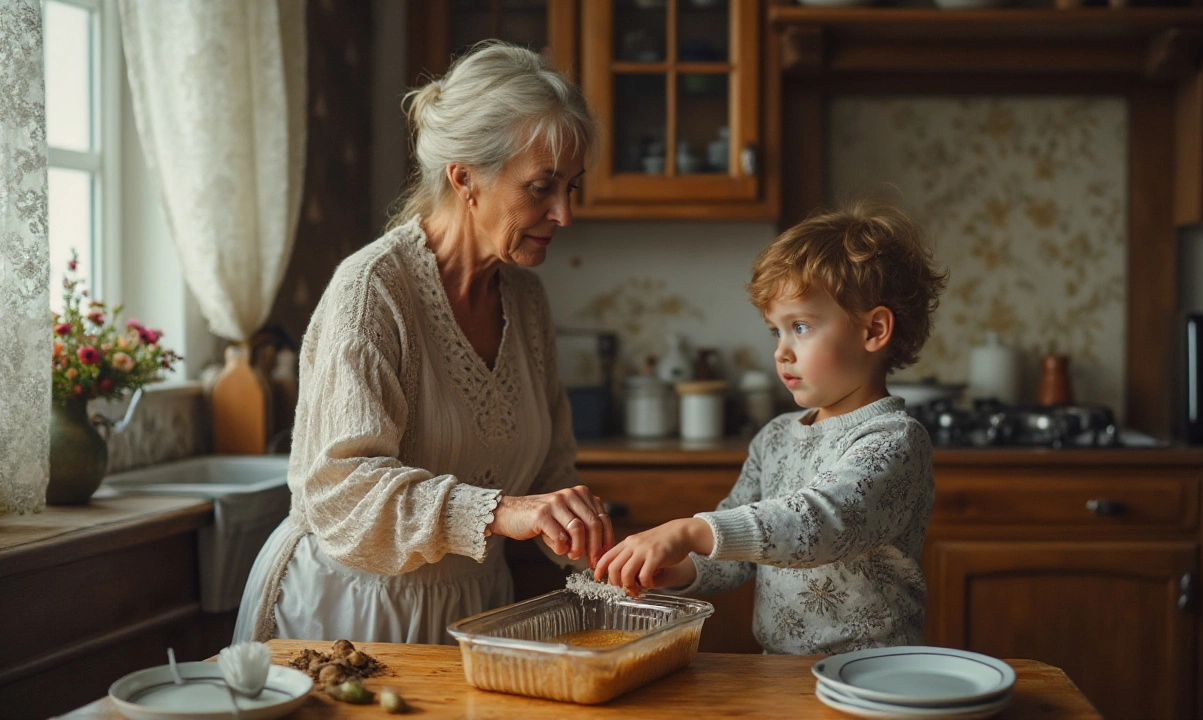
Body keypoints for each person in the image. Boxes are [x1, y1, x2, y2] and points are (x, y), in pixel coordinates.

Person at [234, 41, 612, 644]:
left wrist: (604, 552)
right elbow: (341, 488)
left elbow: (548, 473)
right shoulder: (372, 291)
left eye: (572, 186)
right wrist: (502, 512)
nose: (564, 214)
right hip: (353, 613)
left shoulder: (527, 300)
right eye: (542, 187)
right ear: (464, 178)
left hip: (477, 611)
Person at [596, 201, 948, 654]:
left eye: (800, 326)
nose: (781, 351)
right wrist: (681, 568)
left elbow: (821, 523)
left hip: (873, 675)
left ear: (874, 330)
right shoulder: (775, 437)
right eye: (775, 332)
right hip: (779, 671)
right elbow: (739, 551)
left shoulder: (894, 440)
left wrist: (689, 530)